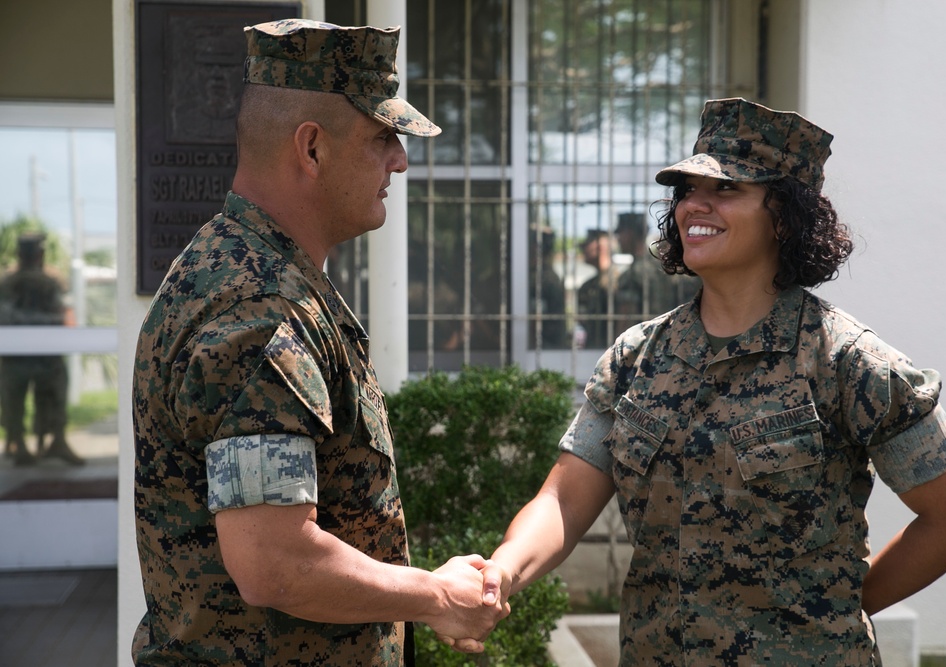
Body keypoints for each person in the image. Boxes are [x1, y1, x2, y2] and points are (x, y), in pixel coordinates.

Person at [472, 98, 946, 664]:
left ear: (786, 217)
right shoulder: (635, 359)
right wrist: (500, 571)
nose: (696, 204)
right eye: (688, 191)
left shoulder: (849, 363)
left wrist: (843, 609)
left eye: (726, 190)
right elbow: (564, 501)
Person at [132, 19, 507, 666]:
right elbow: (274, 561)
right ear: (311, 149)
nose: (401, 158)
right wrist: (435, 594)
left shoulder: (254, 270)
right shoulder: (262, 308)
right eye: (382, 137)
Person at [0, 233, 82, 466]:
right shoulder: (9, 282)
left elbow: (65, 314)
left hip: (46, 353)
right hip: (18, 353)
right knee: (14, 399)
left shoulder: (50, 280)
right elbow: (7, 317)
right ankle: (19, 443)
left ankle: (54, 441)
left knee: (53, 396)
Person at [613, 211, 699, 324]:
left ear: (630, 234)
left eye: (621, 233)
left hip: (642, 336)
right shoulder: (665, 267)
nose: (618, 239)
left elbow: (626, 319)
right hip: (670, 331)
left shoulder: (632, 274)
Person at [575, 228, 614, 349]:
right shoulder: (589, 285)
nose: (583, 251)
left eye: (586, 245)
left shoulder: (620, 282)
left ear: (600, 248)